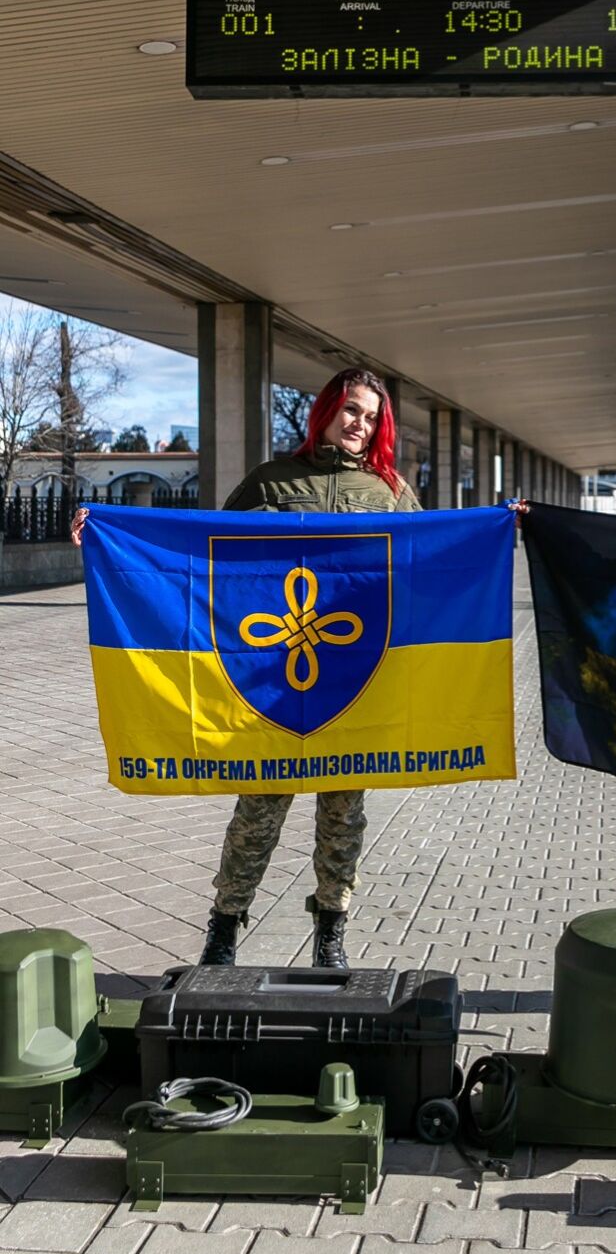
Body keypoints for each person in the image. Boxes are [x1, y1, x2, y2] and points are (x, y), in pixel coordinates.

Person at [74, 368, 420, 970]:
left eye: (371, 417)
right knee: (258, 810)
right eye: (351, 410)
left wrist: (500, 528)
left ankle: (331, 930)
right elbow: (204, 551)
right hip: (273, 680)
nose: (360, 425)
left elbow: (428, 557)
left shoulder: (388, 490)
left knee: (343, 813)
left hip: (353, 678)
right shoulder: (271, 481)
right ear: (327, 410)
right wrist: (108, 531)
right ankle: (224, 928)